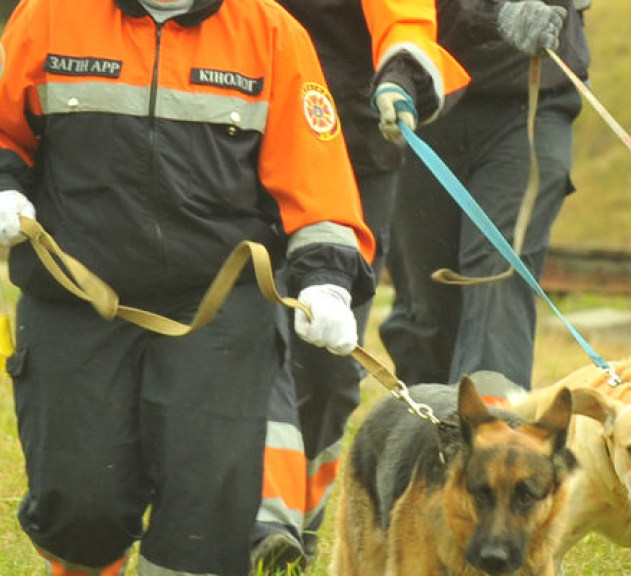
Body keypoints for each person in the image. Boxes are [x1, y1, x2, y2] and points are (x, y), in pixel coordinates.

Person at [0, 0, 376, 575]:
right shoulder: (49, 14)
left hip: (219, 305)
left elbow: (315, 178)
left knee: (207, 519)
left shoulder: (270, 31)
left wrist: (327, 281)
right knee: (79, 506)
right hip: (73, 298)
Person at [261, 0, 469, 562]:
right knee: (254, 336)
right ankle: (263, 515)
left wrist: (400, 75)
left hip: (353, 147)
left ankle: (300, 516)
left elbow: (407, 20)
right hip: (241, 143)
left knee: (328, 369)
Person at [381, 0, 592, 400]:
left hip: (530, 100)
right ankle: (427, 429)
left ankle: (492, 441)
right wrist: (494, 14)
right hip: (426, 95)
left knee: (498, 272)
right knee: (426, 302)